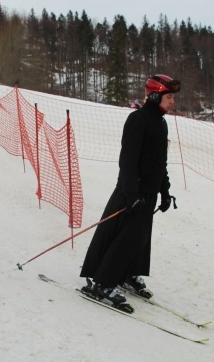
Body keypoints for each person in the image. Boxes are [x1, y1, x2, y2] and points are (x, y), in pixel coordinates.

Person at [79, 74, 180, 307]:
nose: (173, 101)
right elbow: (127, 161)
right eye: (169, 97)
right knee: (125, 239)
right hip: (132, 191)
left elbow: (159, 162)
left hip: (149, 192)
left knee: (141, 239)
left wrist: (164, 192)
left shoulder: (160, 122)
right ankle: (103, 282)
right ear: (155, 96)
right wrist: (132, 195)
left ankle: (128, 273)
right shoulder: (138, 119)